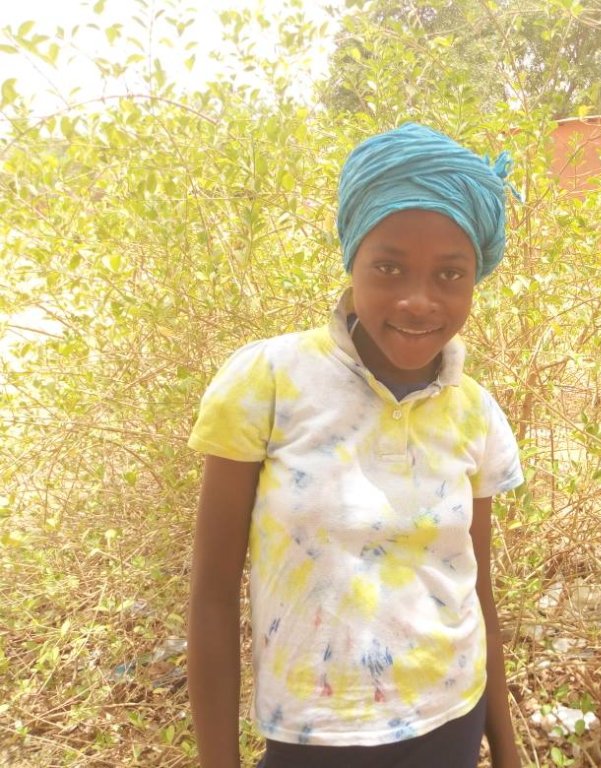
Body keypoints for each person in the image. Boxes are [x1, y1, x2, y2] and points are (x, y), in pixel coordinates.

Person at [186, 123, 524, 768]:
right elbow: (211, 594)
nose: (419, 300)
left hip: (451, 722)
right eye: (389, 267)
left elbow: (475, 591)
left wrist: (506, 752)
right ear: (352, 259)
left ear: (475, 279)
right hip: (313, 736)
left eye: (450, 273)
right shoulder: (268, 381)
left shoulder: (474, 412)